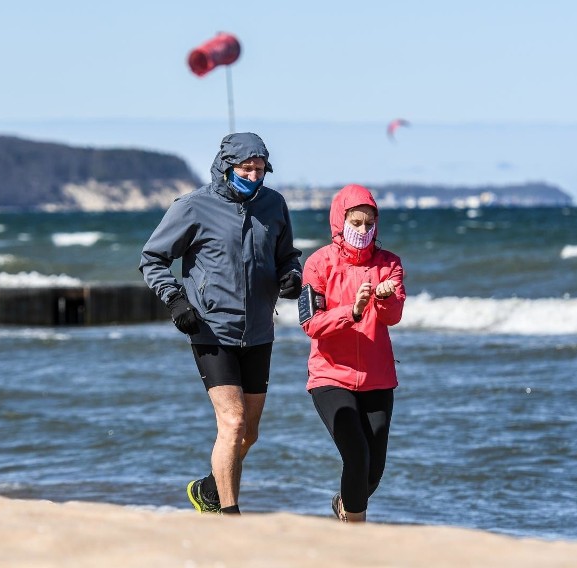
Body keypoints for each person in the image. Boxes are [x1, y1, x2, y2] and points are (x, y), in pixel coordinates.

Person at [139, 132, 302, 515]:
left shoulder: (273, 205)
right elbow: (153, 259)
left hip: (260, 329)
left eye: (260, 169)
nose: (253, 175)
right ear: (227, 166)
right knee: (233, 422)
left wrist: (292, 276)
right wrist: (176, 300)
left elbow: (287, 256)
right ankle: (230, 518)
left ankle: (209, 490)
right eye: (246, 168)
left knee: (249, 433)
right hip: (210, 329)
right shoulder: (193, 207)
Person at [299, 184, 406, 523]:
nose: (363, 230)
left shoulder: (389, 264)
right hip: (330, 377)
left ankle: (344, 502)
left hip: (378, 377)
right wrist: (353, 311)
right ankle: (356, 540)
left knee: (373, 471)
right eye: (356, 222)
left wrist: (384, 298)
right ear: (340, 221)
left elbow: (393, 317)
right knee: (357, 456)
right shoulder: (318, 264)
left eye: (369, 223)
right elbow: (310, 324)